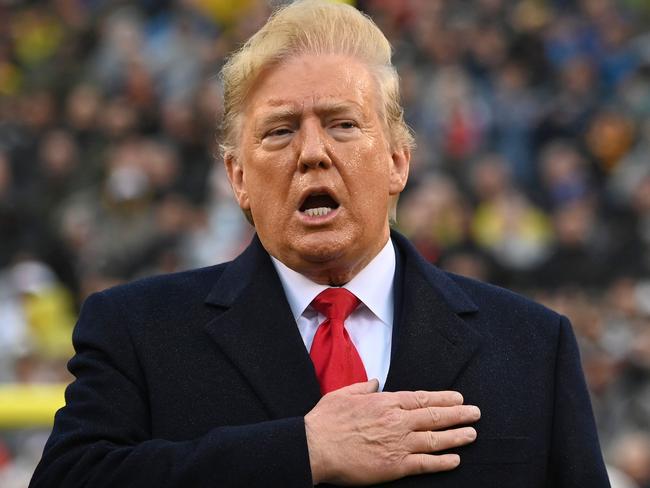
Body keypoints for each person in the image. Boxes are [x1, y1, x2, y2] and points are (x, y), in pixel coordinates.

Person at [30, 1, 610, 486]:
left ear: (397, 161)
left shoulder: (533, 344)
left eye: (342, 123)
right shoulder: (136, 331)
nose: (312, 152)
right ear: (237, 179)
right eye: (280, 131)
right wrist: (302, 449)